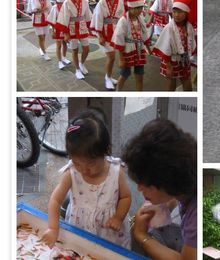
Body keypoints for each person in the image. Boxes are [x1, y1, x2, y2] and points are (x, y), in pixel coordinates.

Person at [41, 110, 132, 249]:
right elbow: (55, 200)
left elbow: (125, 197)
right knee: (80, 251)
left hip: (110, 234)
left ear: (106, 151)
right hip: (80, 228)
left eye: (91, 164)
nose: (84, 170)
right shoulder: (71, 173)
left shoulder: (116, 172)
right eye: (77, 163)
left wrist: (119, 217)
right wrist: (53, 228)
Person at [122, 119, 197, 259]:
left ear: (166, 182)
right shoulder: (187, 180)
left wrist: (141, 236)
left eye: (144, 184)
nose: (138, 188)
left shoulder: (196, 216)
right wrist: (166, 206)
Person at [152, 0, 196, 91]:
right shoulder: (169, 27)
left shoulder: (189, 27)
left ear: (186, 12)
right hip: (171, 60)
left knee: (186, 80)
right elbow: (165, 47)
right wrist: (168, 66)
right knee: (171, 82)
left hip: (184, 59)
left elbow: (191, 44)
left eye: (180, 12)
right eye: (174, 11)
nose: (176, 15)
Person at [111, 0, 152, 91]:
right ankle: (118, 91)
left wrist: (148, 48)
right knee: (125, 73)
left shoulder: (140, 18)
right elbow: (119, 38)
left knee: (140, 74)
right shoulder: (123, 20)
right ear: (130, 7)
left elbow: (144, 33)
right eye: (136, 8)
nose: (139, 10)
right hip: (128, 50)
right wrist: (121, 59)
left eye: (141, 8)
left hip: (139, 49)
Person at [90, 0, 125, 90]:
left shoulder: (120, 2)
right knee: (111, 56)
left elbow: (122, 17)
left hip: (116, 31)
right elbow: (98, 18)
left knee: (112, 57)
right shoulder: (102, 3)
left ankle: (108, 76)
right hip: (105, 33)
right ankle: (108, 78)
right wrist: (100, 35)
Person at [56, 0, 92, 79]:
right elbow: (64, 17)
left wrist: (89, 27)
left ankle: (81, 64)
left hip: (82, 26)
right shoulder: (67, 2)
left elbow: (88, 14)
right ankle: (77, 70)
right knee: (75, 50)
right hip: (71, 27)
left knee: (87, 49)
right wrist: (65, 33)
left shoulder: (85, 1)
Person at [47, 0, 72, 70]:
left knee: (65, 43)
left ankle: (64, 57)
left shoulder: (67, 5)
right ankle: (59, 61)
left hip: (65, 28)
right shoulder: (54, 7)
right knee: (58, 45)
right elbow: (52, 19)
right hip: (57, 28)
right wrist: (53, 31)